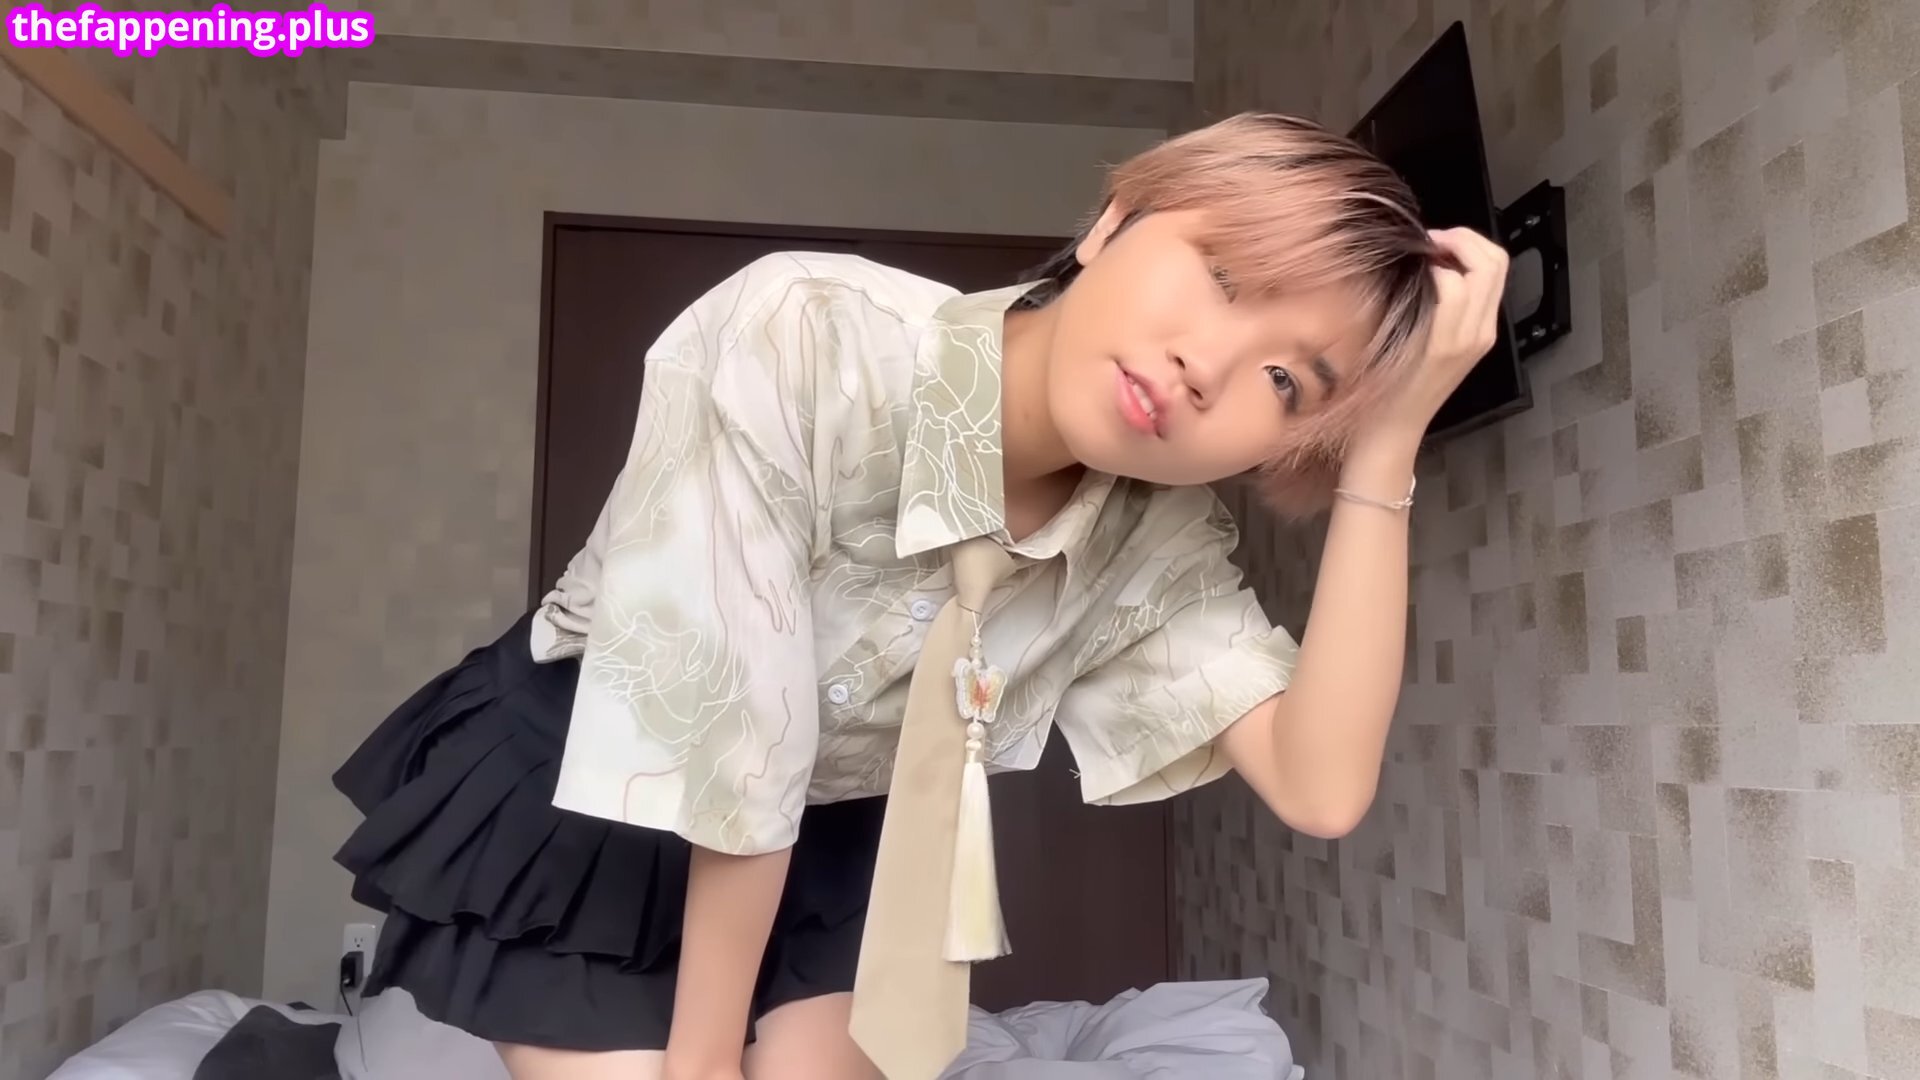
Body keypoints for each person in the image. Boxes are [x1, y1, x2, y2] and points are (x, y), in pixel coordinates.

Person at [330, 111, 1510, 1080]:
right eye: (1223, 275)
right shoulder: (806, 334)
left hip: (837, 831)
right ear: (1117, 220)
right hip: (599, 779)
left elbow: (1321, 784)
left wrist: (1387, 440)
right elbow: (737, 739)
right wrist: (703, 1063)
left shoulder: (1158, 545)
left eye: (1288, 381)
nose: (1211, 363)